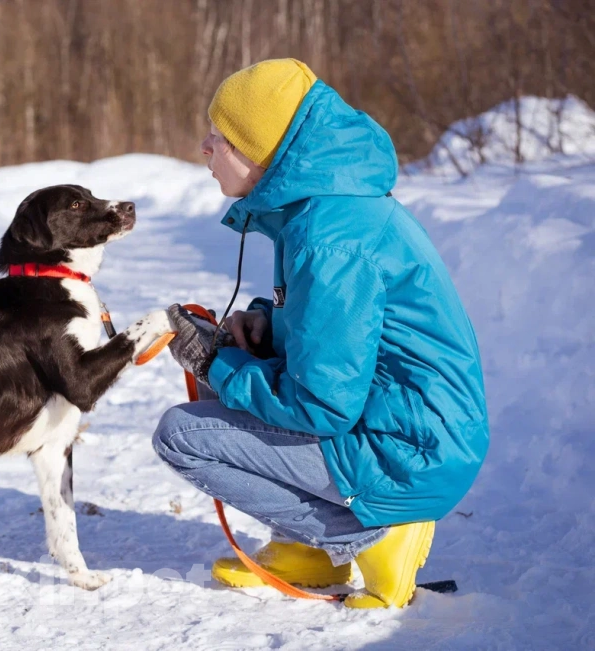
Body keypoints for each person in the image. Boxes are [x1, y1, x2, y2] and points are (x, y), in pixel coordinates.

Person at [152, 59, 488, 609]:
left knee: (182, 435)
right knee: (238, 365)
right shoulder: (323, 212)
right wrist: (266, 325)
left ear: (261, 152)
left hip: (408, 453)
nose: (205, 147)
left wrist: (215, 364)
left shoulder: (328, 240)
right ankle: (305, 549)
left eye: (221, 137)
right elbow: (336, 331)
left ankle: (374, 537)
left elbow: (321, 405)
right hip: (408, 432)